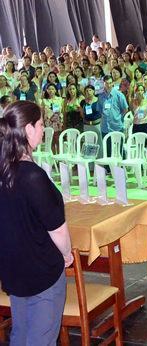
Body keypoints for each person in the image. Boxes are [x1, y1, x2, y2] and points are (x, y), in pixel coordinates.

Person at [0, 101, 73, 345]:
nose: (43, 129)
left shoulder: (4, 170)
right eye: (40, 124)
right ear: (28, 129)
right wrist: (67, 255)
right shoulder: (32, 175)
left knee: (20, 334)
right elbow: (58, 228)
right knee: (40, 338)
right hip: (41, 272)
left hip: (14, 270)